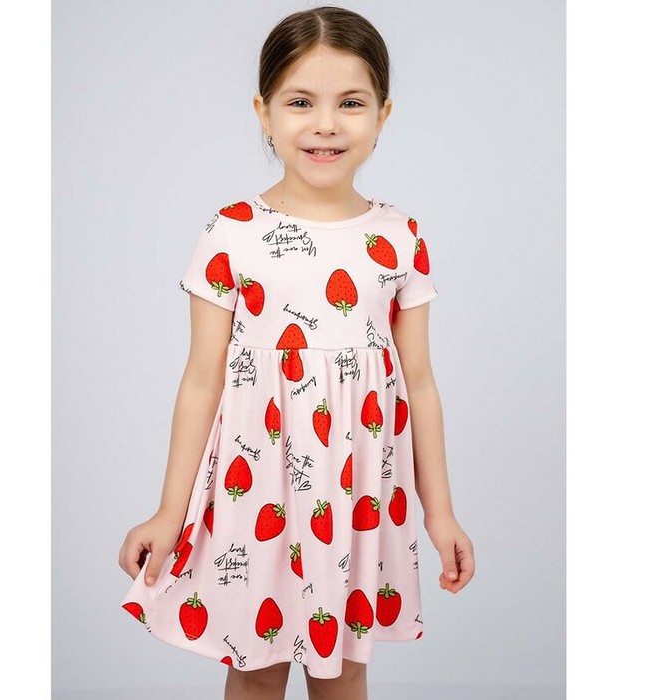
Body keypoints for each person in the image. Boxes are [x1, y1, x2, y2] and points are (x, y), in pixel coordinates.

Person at [118, 5, 475, 699]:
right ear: (264, 111)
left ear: (383, 114)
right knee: (253, 669)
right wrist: (168, 512)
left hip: (357, 489)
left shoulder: (399, 237)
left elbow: (421, 383)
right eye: (301, 102)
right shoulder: (232, 231)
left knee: (343, 670)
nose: (326, 124)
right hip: (256, 490)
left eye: (351, 103)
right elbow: (201, 380)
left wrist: (440, 514)